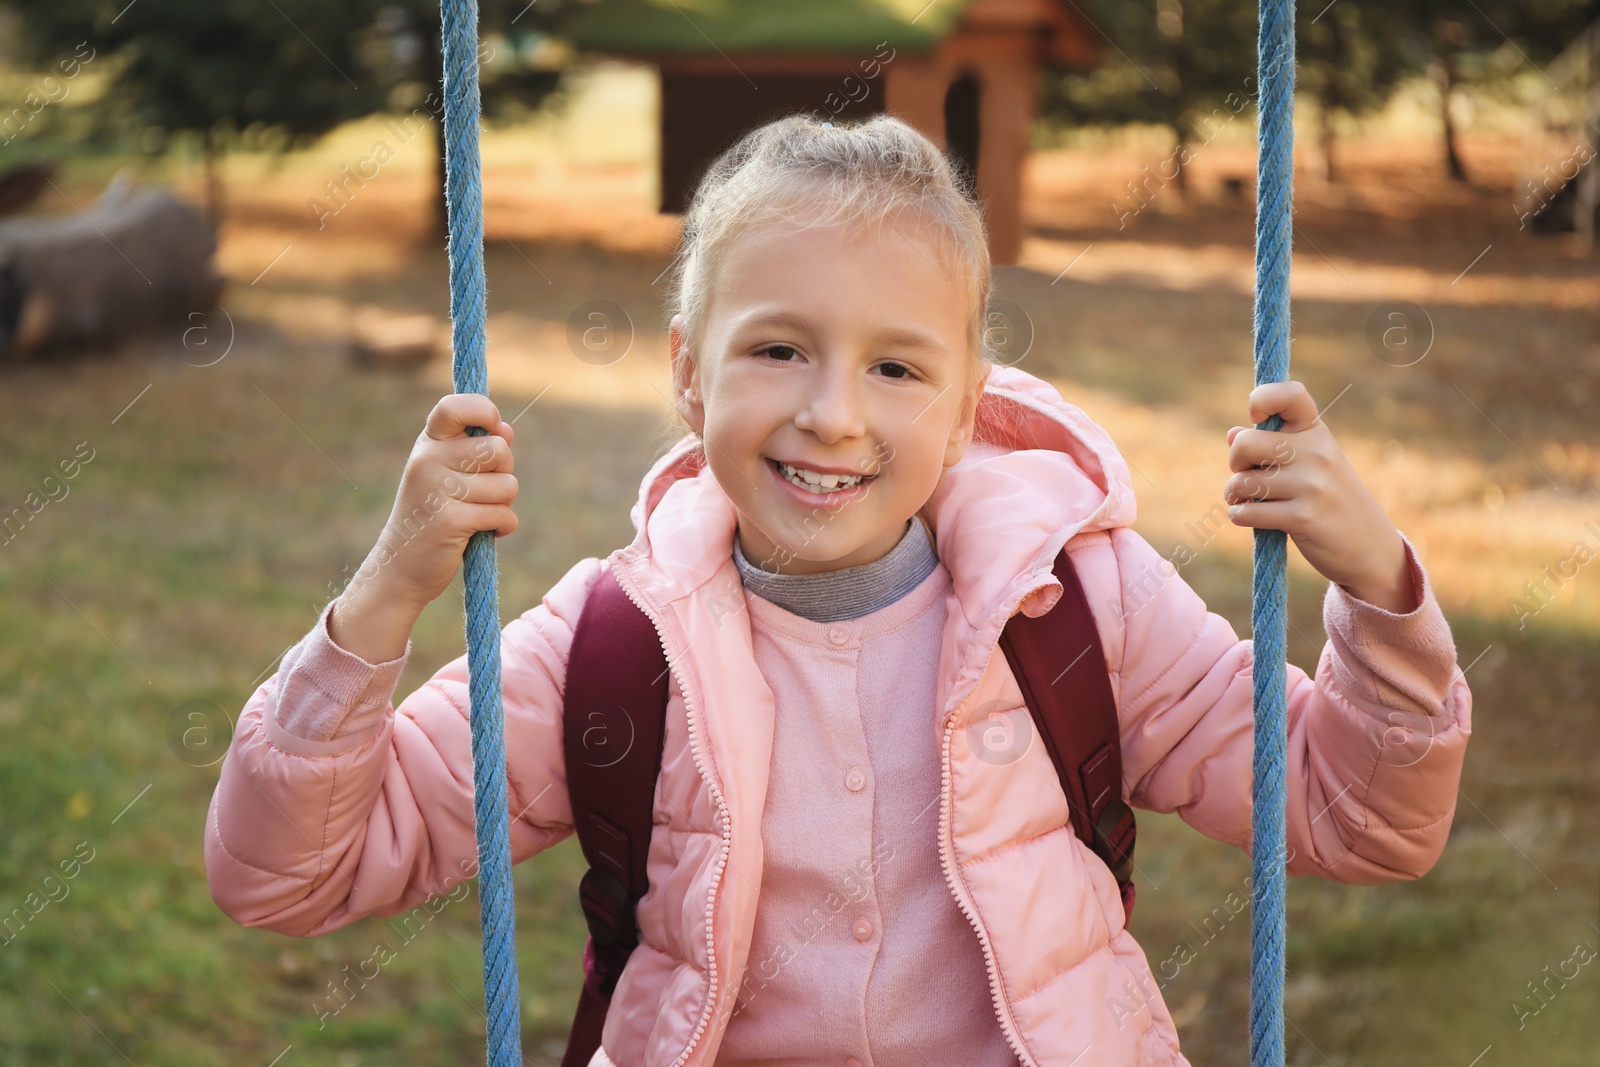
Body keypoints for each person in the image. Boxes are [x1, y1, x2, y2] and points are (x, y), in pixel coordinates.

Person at [204, 114, 1472, 1067]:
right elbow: (288, 877)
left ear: (968, 405)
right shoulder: (611, 645)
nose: (831, 414)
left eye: (896, 368)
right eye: (776, 348)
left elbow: (1359, 820)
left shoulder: (1078, 605)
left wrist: (1378, 587)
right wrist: (385, 592)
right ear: (690, 377)